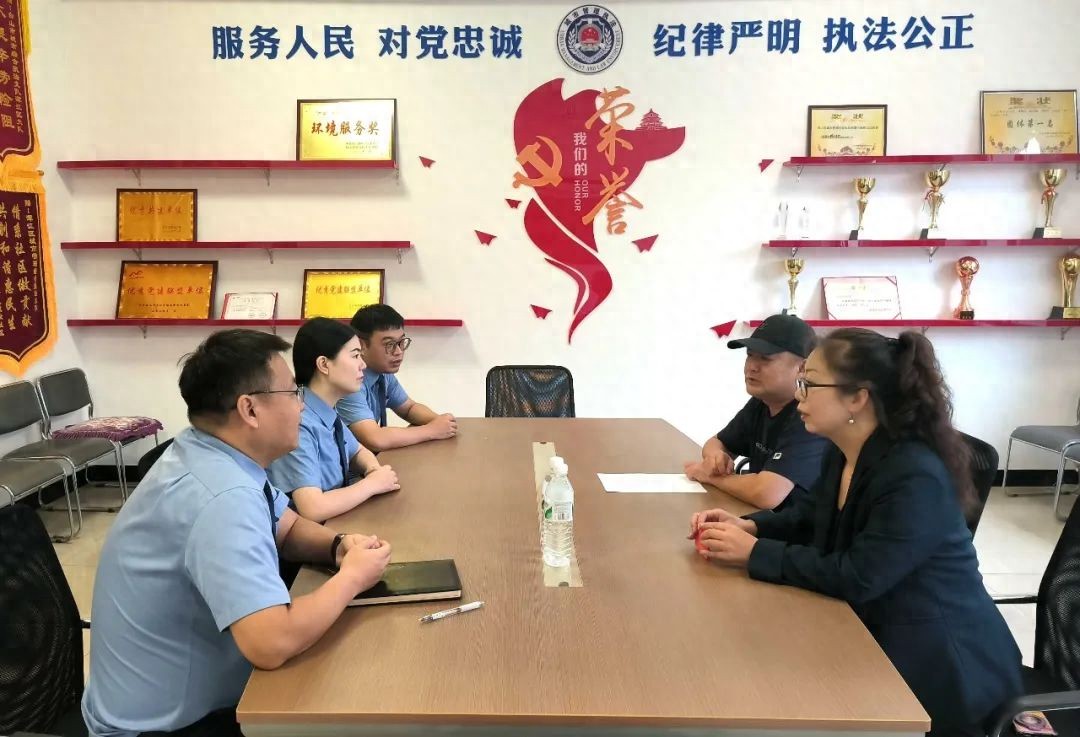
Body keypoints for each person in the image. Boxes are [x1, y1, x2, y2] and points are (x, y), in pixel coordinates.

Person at [689, 328, 1022, 737]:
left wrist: (755, 553)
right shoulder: (845, 449)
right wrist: (751, 525)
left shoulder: (914, 473)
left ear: (857, 398)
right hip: (870, 632)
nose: (798, 397)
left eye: (809, 384)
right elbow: (812, 514)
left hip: (939, 673)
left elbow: (859, 576)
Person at [82, 330, 393, 737]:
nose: (302, 405)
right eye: (292, 393)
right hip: (164, 728)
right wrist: (352, 578)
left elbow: (286, 526)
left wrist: (337, 547)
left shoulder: (210, 451)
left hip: (184, 696)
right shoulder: (222, 497)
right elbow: (271, 644)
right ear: (250, 409)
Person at [685, 314, 828, 510]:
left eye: (765, 359)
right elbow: (716, 442)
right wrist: (716, 457)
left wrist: (710, 476)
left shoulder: (810, 415)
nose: (751, 367)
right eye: (750, 355)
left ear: (802, 367)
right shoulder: (761, 403)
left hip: (797, 526)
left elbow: (767, 494)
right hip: (759, 519)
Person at [268, 317, 400, 523]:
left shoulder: (324, 409)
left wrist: (373, 470)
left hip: (337, 522)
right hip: (309, 535)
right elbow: (312, 508)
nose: (363, 365)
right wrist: (372, 484)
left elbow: (358, 451)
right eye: (355, 356)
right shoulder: (298, 421)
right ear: (324, 364)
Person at [337, 304, 457, 451]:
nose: (399, 351)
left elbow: (409, 408)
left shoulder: (383, 374)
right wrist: (432, 430)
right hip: (345, 465)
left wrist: (441, 422)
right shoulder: (349, 381)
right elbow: (374, 438)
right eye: (390, 344)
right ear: (361, 345)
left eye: (401, 342)